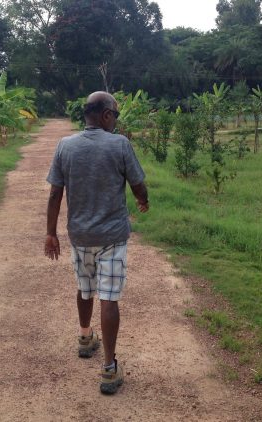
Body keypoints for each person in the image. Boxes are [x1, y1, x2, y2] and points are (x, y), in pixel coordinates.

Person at [44, 91, 149, 394]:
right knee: (109, 298)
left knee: (84, 287)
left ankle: (85, 336)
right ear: (105, 115)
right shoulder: (120, 145)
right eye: (115, 115)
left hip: (80, 235)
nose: (116, 121)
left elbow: (54, 194)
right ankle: (108, 368)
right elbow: (137, 184)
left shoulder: (66, 146)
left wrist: (50, 232)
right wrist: (143, 201)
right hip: (112, 236)